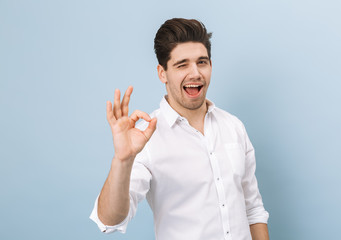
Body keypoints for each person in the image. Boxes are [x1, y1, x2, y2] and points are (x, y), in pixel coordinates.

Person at [90, 18, 270, 240]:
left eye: (201, 62)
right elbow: (110, 219)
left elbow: (253, 209)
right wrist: (122, 160)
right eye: (182, 64)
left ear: (210, 66)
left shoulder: (233, 127)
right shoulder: (145, 138)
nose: (195, 73)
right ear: (162, 73)